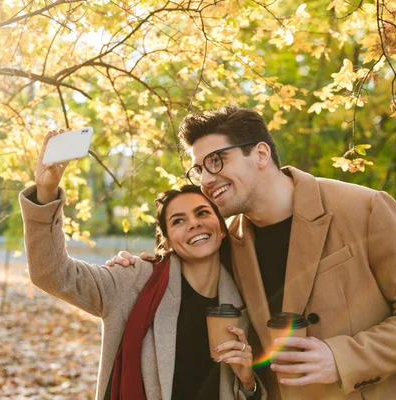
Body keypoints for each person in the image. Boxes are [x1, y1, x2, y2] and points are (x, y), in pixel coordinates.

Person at [107, 106, 396, 399]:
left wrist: (343, 357)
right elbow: (181, 271)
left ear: (261, 154)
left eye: (217, 161)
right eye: (199, 169)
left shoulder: (364, 208)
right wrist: (138, 266)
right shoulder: (227, 239)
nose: (205, 180)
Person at [20, 129, 267, 399]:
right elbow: (52, 274)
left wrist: (247, 380)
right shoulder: (134, 280)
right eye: (178, 221)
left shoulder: (247, 294)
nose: (194, 223)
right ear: (168, 241)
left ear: (221, 229)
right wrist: (46, 193)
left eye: (203, 213)